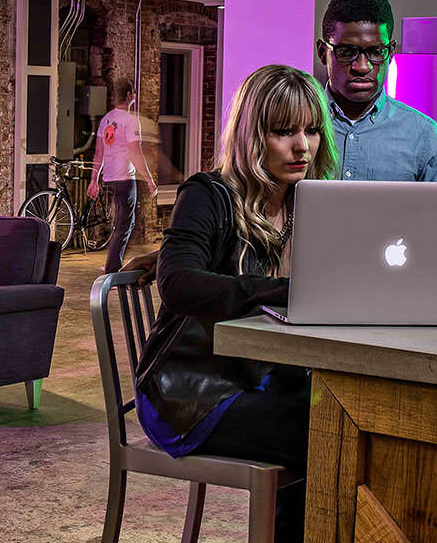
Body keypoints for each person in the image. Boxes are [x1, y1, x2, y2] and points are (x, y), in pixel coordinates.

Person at [135, 65, 339, 541]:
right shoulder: (208, 194)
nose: (301, 146)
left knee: (351, 417)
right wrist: (284, 290)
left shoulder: (308, 202)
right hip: (186, 392)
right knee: (329, 435)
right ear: (252, 136)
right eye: (283, 131)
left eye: (311, 130)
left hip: (262, 377)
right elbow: (178, 282)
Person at [316, 0, 437, 182]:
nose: (361, 66)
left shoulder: (423, 135)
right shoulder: (295, 127)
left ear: (391, 52)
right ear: (322, 52)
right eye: (346, 52)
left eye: (376, 52)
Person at [87, 77, 157, 273]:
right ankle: (112, 270)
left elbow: (98, 153)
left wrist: (94, 180)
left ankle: (111, 263)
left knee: (120, 223)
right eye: (133, 92)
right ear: (129, 95)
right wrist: (149, 179)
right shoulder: (130, 120)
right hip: (125, 179)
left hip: (109, 179)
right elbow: (135, 153)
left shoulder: (106, 119)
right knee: (124, 225)